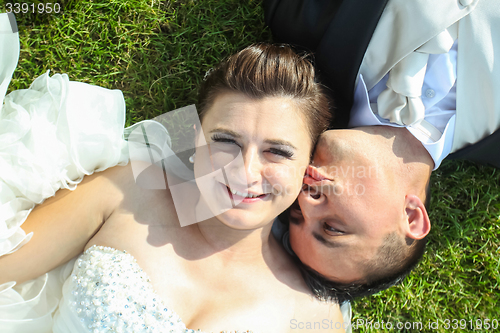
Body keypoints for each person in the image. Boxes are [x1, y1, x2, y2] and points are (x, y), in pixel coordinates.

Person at [0, 13, 349, 332]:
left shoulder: (315, 316)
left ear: (308, 166)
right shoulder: (130, 191)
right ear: (196, 140)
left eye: (277, 152)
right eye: (226, 141)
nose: (245, 171)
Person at [265, 0, 500, 302]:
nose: (304, 201)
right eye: (332, 227)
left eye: (296, 213)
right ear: (411, 216)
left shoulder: (299, 17)